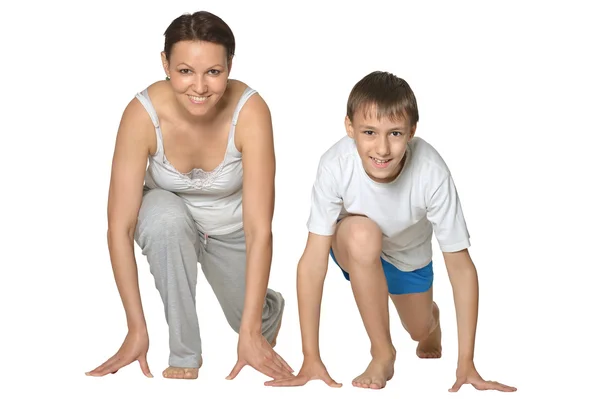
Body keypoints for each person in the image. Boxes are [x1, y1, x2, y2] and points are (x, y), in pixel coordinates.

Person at [264, 71, 517, 392]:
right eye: (369, 132)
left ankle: (429, 323)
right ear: (350, 128)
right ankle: (382, 353)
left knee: (419, 329)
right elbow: (313, 261)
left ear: (412, 131)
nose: (382, 148)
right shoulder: (335, 164)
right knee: (361, 233)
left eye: (395, 133)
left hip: (407, 258)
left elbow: (461, 267)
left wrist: (466, 361)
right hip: (354, 246)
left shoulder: (430, 171)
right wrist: (310, 356)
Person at [85, 11, 293, 381]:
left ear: (229, 65)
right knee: (165, 218)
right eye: (185, 71)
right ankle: (184, 352)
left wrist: (249, 334)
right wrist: (136, 328)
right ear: (165, 64)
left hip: (231, 228)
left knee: (253, 323)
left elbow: (260, 228)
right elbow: (120, 226)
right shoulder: (141, 114)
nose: (199, 87)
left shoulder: (251, 111)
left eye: (213, 72)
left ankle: (262, 313)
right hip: (168, 215)